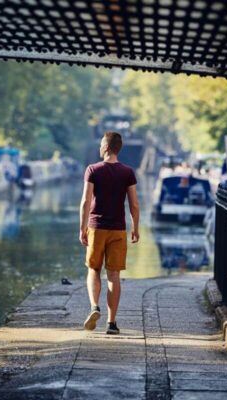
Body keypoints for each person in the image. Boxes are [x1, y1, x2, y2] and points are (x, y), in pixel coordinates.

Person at [79, 131, 140, 335]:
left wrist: (82, 228)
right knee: (114, 275)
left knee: (94, 269)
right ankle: (111, 323)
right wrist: (136, 228)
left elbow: (86, 201)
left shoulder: (92, 170)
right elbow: (134, 205)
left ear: (105, 147)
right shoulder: (128, 172)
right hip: (118, 229)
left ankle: (94, 307)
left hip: (96, 227)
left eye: (100, 145)